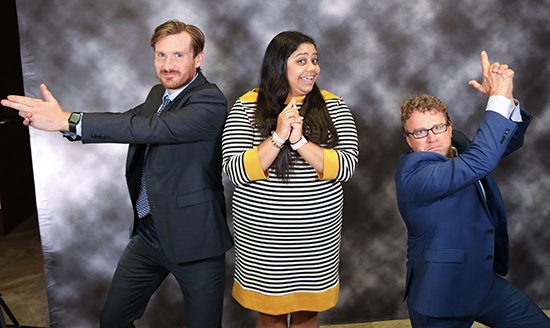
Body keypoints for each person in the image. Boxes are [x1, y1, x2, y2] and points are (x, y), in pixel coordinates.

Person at [1, 20, 232, 328]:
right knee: (113, 321)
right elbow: (125, 120)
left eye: (178, 55)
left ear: (198, 59)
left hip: (195, 241)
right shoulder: (156, 94)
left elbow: (151, 128)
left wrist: (68, 120)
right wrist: (66, 124)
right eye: (160, 55)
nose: (167, 65)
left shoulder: (210, 101)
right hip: (149, 236)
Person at [394, 51, 550, 328]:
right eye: (419, 132)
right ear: (408, 138)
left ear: (450, 128)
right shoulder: (414, 173)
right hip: (440, 296)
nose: (431, 138)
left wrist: (508, 98)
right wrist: (496, 99)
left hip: (482, 281)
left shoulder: (460, 146)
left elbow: (504, 143)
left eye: (438, 127)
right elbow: (482, 159)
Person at [222, 31, 358, 327]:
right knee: (269, 316)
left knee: (307, 314)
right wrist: (278, 136)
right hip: (264, 242)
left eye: (315, 60)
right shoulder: (246, 107)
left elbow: (347, 166)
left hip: (316, 241)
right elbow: (234, 170)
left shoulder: (333, 106)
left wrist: (299, 144)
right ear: (278, 66)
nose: (313, 68)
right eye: (302, 61)